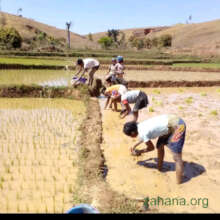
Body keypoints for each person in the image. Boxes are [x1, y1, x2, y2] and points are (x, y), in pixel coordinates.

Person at [123, 114, 186, 184]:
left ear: (132, 133)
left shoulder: (142, 133)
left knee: (177, 157)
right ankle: (160, 169)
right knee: (159, 146)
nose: (130, 137)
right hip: (170, 121)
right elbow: (145, 137)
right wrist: (135, 145)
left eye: (129, 136)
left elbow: (151, 148)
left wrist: (139, 152)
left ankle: (179, 184)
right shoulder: (139, 126)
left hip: (178, 125)